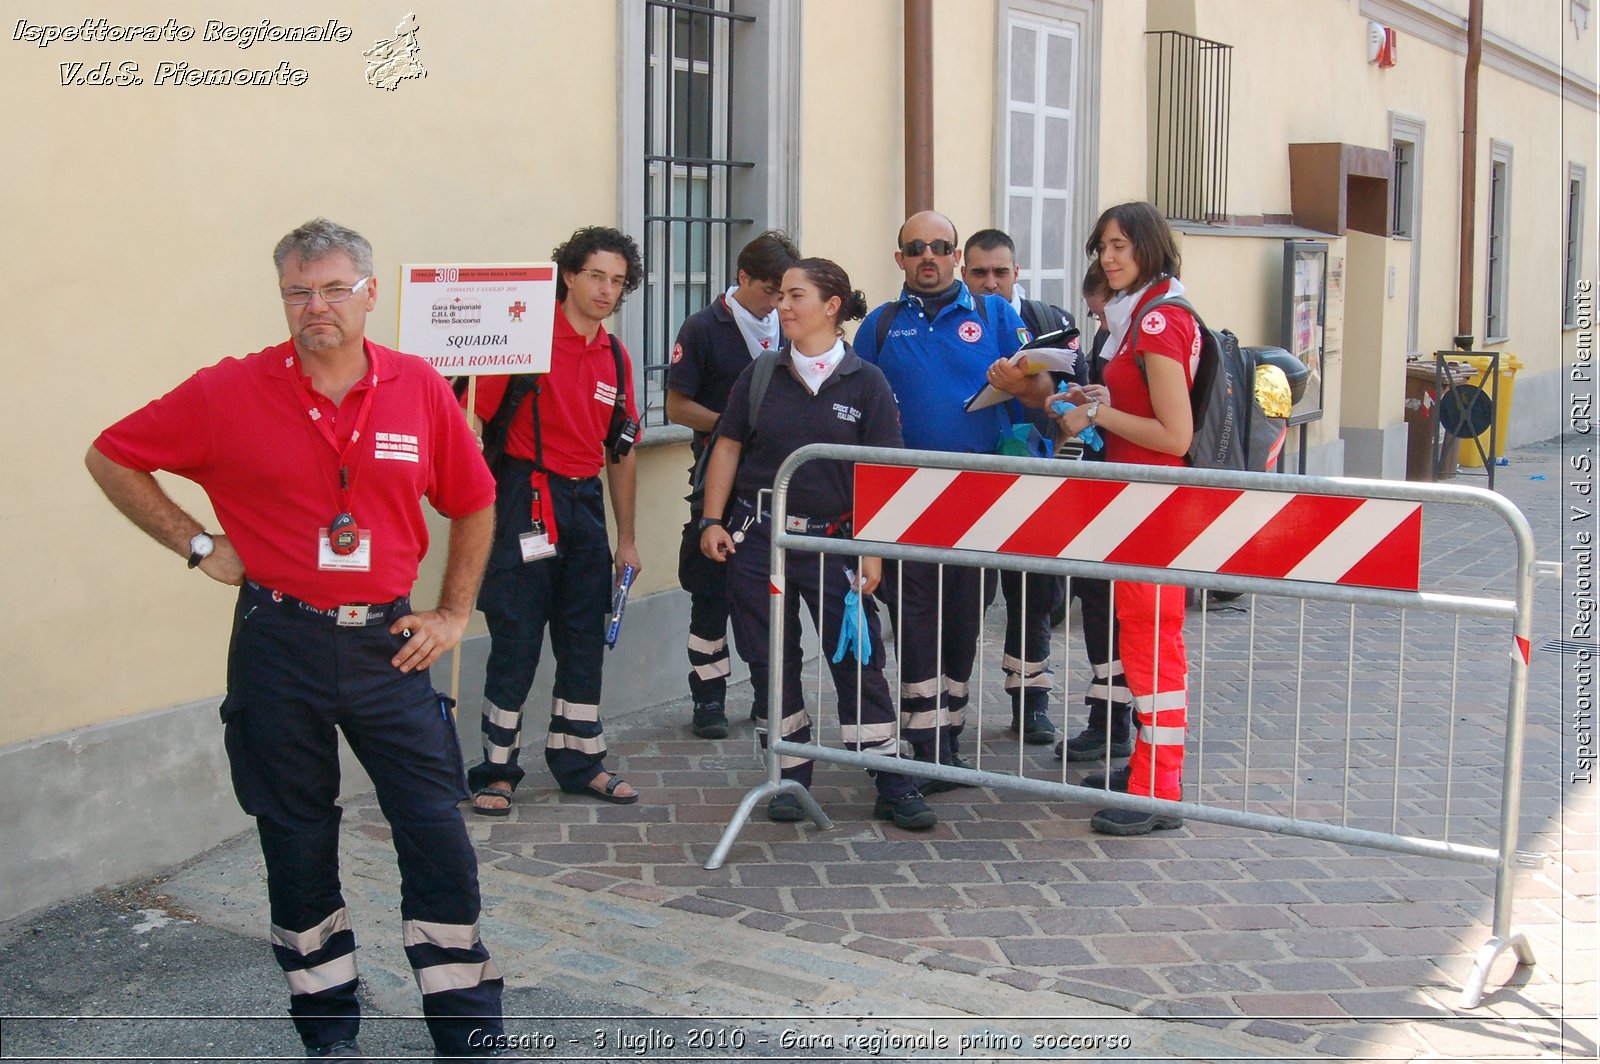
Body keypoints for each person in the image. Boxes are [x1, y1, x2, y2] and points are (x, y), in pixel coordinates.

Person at [85, 218, 532, 1060]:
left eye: (332, 288)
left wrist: (448, 614)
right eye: (297, 290)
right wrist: (198, 545)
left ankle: (468, 1030)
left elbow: (474, 502)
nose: (314, 305)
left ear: (370, 293)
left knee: (434, 828)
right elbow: (112, 455)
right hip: (277, 641)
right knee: (294, 837)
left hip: (388, 646)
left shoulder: (419, 387)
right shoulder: (230, 389)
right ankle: (329, 1035)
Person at [698, 257, 936, 830]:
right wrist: (712, 521)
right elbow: (727, 446)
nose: (782, 306)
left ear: (832, 306)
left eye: (795, 296)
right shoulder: (759, 376)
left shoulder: (867, 381)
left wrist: (873, 549)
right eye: (780, 295)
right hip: (761, 543)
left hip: (837, 545)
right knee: (769, 661)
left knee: (856, 658)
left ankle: (890, 777)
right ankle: (790, 774)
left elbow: (884, 471)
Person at [853, 210, 1047, 790]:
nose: (928, 257)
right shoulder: (881, 325)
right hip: (903, 498)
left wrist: (1024, 386)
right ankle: (921, 741)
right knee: (914, 619)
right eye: (916, 248)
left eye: (940, 247)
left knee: (964, 616)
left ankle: (948, 739)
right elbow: (857, 402)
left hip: (978, 497)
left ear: (956, 256)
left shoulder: (994, 313)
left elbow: (1043, 391)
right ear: (901, 260)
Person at [466, 226, 645, 816]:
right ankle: (496, 769)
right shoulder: (524, 339)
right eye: (596, 275)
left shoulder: (616, 357)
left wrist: (628, 538)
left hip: (584, 507)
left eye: (617, 281)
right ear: (569, 274)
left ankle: (579, 761)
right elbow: (472, 423)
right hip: (523, 497)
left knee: (582, 637)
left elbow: (621, 452)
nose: (605, 290)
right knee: (516, 637)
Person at [1053, 202, 1198, 836]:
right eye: (1102, 247)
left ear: (1150, 247)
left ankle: (1159, 787)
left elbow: (1174, 434)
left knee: (1152, 647)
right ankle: (1148, 766)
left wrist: (1097, 415)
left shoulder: (1159, 321)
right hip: (1139, 505)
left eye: (1120, 245)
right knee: (1148, 644)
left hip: (1152, 506)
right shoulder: (1144, 313)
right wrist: (1106, 399)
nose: (1108, 258)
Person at [666, 231, 801, 740]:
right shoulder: (704, 326)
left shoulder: (790, 326)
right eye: (770, 290)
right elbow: (677, 406)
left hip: (775, 482)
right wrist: (732, 425)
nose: (778, 303)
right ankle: (708, 697)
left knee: (768, 594)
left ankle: (770, 695)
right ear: (742, 278)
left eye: (788, 293)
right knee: (712, 591)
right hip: (718, 478)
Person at [961, 228, 1085, 746]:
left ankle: (1031, 701)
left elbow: (1077, 400)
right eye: (979, 272)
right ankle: (946, 707)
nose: (991, 282)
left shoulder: (1051, 323)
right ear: (964, 273)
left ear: (1017, 273)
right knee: (968, 596)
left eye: (1001, 272)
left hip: (1035, 477)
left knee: (1034, 594)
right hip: (970, 481)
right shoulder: (957, 320)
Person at [1052, 260, 1137, 764]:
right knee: (1099, 608)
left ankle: (1122, 725)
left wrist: (1099, 409)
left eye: (1101, 316)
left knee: (1123, 616)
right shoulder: (1117, 344)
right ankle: (1106, 719)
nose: (1098, 327)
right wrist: (1091, 402)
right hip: (1101, 492)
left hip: (1129, 498)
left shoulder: (1150, 335)